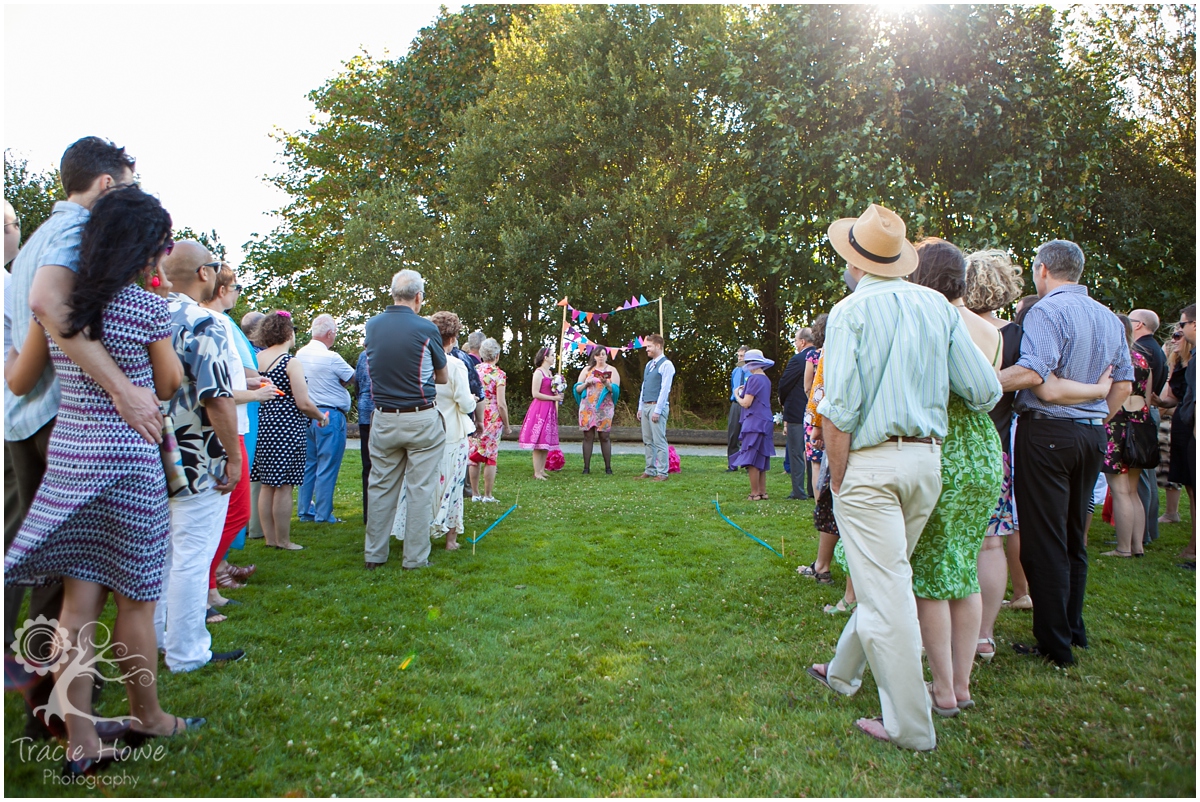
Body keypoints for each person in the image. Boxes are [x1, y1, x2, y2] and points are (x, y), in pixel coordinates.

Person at [3, 188, 202, 774]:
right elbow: (166, 386)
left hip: (70, 462)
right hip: (130, 466)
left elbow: (18, 381)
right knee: (136, 602)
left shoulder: (64, 309)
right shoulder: (146, 309)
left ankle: (81, 740)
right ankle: (149, 717)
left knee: (76, 606)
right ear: (144, 249)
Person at [806, 203, 1000, 750]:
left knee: (886, 591)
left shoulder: (850, 311)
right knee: (884, 579)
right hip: (927, 462)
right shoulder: (937, 308)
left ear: (855, 261)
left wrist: (839, 481)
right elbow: (984, 391)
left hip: (870, 465)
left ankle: (910, 725)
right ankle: (842, 673)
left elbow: (838, 409)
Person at [5, 138, 156, 740]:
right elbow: (48, 304)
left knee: (58, 587)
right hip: (69, 427)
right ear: (104, 187)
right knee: (81, 589)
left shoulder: (40, 235)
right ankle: (66, 721)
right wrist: (124, 388)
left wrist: (13, 359)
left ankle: (65, 721)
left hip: (33, 419)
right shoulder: (80, 237)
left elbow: (23, 356)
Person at [1000, 239, 1133, 667]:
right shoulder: (1110, 317)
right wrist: (1094, 415)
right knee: (1076, 535)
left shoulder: (1045, 311)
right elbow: (1124, 385)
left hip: (1047, 435)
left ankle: (1055, 643)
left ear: (1042, 270)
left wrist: (980, 381)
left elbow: (1036, 374)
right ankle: (1074, 630)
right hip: (1092, 435)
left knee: (1043, 540)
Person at [906, 239, 1004, 715]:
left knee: (930, 574)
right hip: (985, 449)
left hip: (946, 449)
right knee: (963, 569)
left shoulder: (931, 319)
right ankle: (961, 684)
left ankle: (942, 689)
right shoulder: (992, 329)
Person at [154, 240, 247, 673]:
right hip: (196, 453)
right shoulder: (203, 322)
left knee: (161, 553)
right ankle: (187, 651)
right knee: (191, 553)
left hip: (149, 450)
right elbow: (217, 396)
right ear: (205, 274)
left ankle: (155, 636)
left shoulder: (145, 313)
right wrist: (232, 456)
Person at [962, 250, 1030, 658]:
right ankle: (984, 635)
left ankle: (937, 625)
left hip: (952, 445)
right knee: (991, 544)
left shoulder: (952, 326)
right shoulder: (1016, 335)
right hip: (997, 447)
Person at [198, 265, 273, 619]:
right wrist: (257, 394)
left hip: (233, 423)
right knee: (231, 513)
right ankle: (205, 584)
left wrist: (252, 381)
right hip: (226, 428)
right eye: (236, 286)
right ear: (221, 288)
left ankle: (210, 587)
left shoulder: (220, 325)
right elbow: (216, 390)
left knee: (226, 514)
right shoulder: (213, 323)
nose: (237, 292)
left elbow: (232, 374)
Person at [363, 269, 448, 570]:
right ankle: (414, 558)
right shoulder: (426, 328)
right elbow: (442, 375)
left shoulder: (372, 326)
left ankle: (374, 554)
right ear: (418, 297)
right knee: (420, 490)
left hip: (383, 417)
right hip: (420, 415)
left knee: (380, 487)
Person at [251, 311, 328, 550]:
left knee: (266, 484)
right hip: (286, 429)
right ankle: (283, 541)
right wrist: (319, 417)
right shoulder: (290, 362)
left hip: (262, 425)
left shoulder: (257, 359)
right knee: (284, 485)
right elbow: (302, 402)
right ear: (288, 333)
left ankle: (269, 538)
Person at [1101, 315, 1155, 559]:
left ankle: (1123, 548)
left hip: (1116, 425)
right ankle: (1138, 546)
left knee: (1120, 490)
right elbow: (1148, 395)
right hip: (1140, 425)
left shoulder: (1113, 358)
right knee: (1132, 491)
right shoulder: (1142, 359)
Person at [296, 314, 355, 524]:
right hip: (330, 414)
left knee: (308, 465)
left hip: (305, 414)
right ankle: (323, 514)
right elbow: (352, 377)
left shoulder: (299, 355)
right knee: (328, 465)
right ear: (330, 333)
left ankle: (304, 510)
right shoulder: (332, 358)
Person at [426, 312, 476, 549]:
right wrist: (474, 400)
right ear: (453, 337)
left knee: (426, 483)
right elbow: (465, 403)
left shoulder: (422, 362)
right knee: (453, 484)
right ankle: (451, 539)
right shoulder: (455, 365)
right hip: (453, 432)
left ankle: (421, 533)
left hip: (427, 429)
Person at [1161, 305, 1196, 565]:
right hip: (1185, 428)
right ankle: (1193, 545)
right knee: (1192, 490)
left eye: (1182, 325)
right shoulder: (1191, 358)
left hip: (1191, 429)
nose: (1179, 331)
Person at [1129, 309, 1167, 544]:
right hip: (1149, 411)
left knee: (1139, 478)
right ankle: (1148, 530)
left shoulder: (1141, 350)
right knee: (1147, 476)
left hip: (1139, 412)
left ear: (1140, 324)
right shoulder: (1156, 348)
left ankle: (1139, 534)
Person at [468, 338, 511, 502]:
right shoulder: (498, 374)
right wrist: (506, 425)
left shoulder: (474, 370)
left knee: (474, 456)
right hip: (492, 417)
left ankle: (474, 493)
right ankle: (488, 495)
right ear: (497, 355)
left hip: (475, 414)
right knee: (490, 457)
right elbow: (501, 404)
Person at [731, 349, 776, 500]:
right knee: (762, 456)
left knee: (751, 457)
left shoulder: (753, 379)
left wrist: (737, 394)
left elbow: (746, 402)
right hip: (766, 420)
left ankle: (754, 493)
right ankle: (763, 492)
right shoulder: (766, 379)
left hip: (754, 421)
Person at [1159, 326, 1192, 528]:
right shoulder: (1179, 365)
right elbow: (1171, 399)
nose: (1173, 340)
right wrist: (1160, 403)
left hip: (1189, 426)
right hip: (1181, 427)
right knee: (1189, 484)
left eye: (1178, 336)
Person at [779, 328, 814, 499]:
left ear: (802, 342)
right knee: (813, 452)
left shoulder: (799, 359)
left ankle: (798, 491)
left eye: (795, 341)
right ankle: (813, 489)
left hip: (797, 411)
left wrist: (782, 400)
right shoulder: (823, 357)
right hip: (817, 413)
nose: (795, 344)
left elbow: (785, 384)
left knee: (796, 452)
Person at [518, 346, 562, 479]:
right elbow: (535, 393)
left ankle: (542, 470)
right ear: (545, 357)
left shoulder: (550, 373)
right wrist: (553, 398)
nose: (554, 357)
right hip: (540, 408)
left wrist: (558, 392)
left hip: (550, 408)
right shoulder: (539, 373)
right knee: (538, 441)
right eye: (552, 355)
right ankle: (537, 472)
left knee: (545, 440)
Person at [241, 311, 266, 540]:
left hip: (251, 415)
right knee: (253, 475)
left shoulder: (242, 348)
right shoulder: (255, 355)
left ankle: (250, 524)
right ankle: (253, 526)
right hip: (252, 413)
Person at [575, 347, 621, 474]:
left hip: (604, 407)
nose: (601, 357)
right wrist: (586, 384)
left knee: (604, 436)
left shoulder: (612, 370)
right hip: (587, 406)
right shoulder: (587, 370)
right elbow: (577, 389)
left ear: (606, 356)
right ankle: (586, 468)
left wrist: (606, 383)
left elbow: (616, 390)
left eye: (603, 354)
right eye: (598, 355)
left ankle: (608, 467)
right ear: (594, 357)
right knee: (588, 435)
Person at [637, 334, 675, 481]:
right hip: (646, 405)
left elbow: (665, 389)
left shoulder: (666, 365)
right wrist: (640, 407)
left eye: (649, 346)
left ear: (658, 346)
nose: (647, 349)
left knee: (659, 440)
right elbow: (644, 386)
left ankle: (662, 472)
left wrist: (657, 410)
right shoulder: (649, 365)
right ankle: (650, 469)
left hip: (656, 406)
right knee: (647, 440)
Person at [802, 315, 828, 497]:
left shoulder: (813, 356)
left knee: (816, 463)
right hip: (837, 413)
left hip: (815, 414)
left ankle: (820, 507)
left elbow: (807, 387)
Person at [354, 346, 374, 524]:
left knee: (368, 466)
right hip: (382, 413)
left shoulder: (364, 356)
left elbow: (357, 383)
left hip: (365, 412)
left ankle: (369, 514)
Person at [725, 345, 748, 472]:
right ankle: (732, 465)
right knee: (733, 434)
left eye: (742, 356)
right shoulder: (735, 371)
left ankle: (747, 463)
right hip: (735, 404)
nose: (739, 358)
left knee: (746, 435)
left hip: (748, 405)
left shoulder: (752, 371)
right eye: (738, 356)